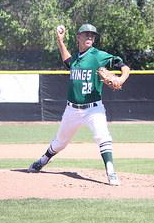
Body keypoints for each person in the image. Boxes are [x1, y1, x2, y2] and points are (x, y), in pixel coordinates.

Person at [27, 23, 131, 185]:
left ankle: (111, 171)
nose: (90, 37)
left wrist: (121, 78)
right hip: (72, 110)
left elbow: (124, 66)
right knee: (60, 142)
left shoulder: (98, 55)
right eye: (86, 34)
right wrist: (60, 41)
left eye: (92, 35)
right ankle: (42, 160)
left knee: (103, 137)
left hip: (93, 109)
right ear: (78, 37)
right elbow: (68, 61)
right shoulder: (76, 58)